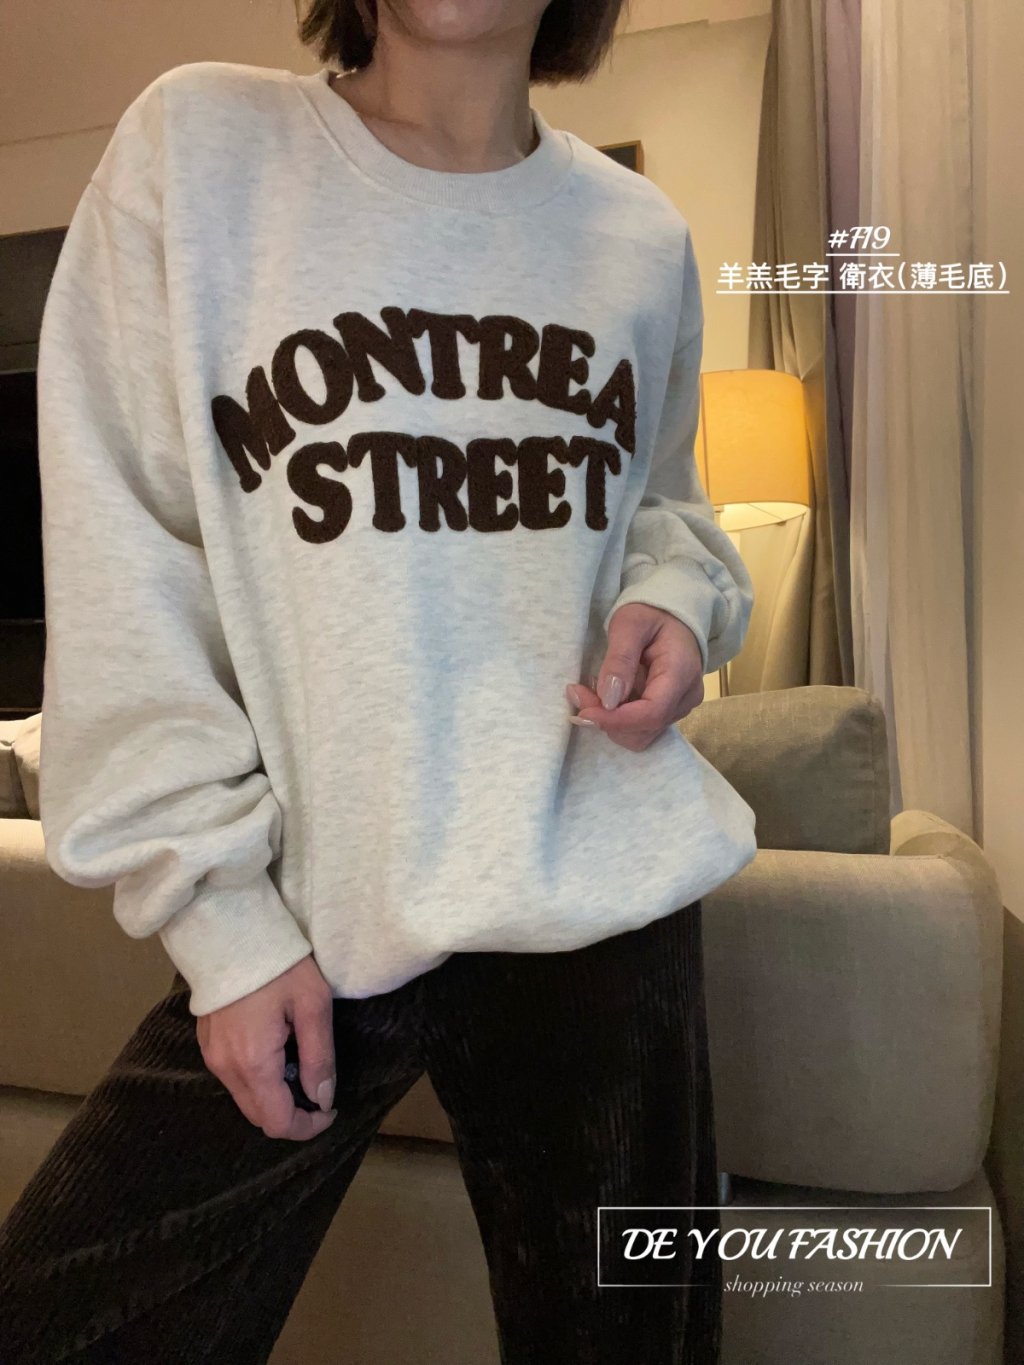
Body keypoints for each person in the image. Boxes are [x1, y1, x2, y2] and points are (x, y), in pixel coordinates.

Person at [0, 1, 757, 1360]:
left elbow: (665, 506)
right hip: (308, 904)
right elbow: (126, 552)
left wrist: (674, 603)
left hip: (598, 890)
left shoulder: (637, 235)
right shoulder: (199, 151)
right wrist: (221, 920)